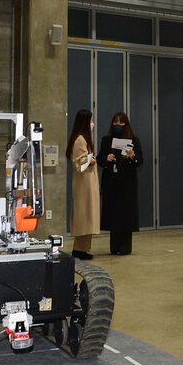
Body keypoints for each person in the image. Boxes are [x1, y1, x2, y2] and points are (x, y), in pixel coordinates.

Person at [97, 112, 144, 255]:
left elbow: (140, 161)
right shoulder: (106, 140)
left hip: (127, 184)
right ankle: (114, 246)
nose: (117, 125)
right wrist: (107, 158)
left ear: (126, 124)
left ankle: (125, 247)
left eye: (121, 123)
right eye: (115, 123)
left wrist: (132, 156)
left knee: (126, 215)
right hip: (111, 182)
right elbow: (100, 158)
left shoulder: (133, 140)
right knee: (113, 215)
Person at [66, 109, 99, 260]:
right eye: (91, 120)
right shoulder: (80, 139)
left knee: (88, 215)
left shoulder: (84, 138)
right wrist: (90, 160)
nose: (93, 123)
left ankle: (83, 248)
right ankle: (79, 249)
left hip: (88, 181)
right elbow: (79, 162)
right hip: (83, 183)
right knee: (84, 215)